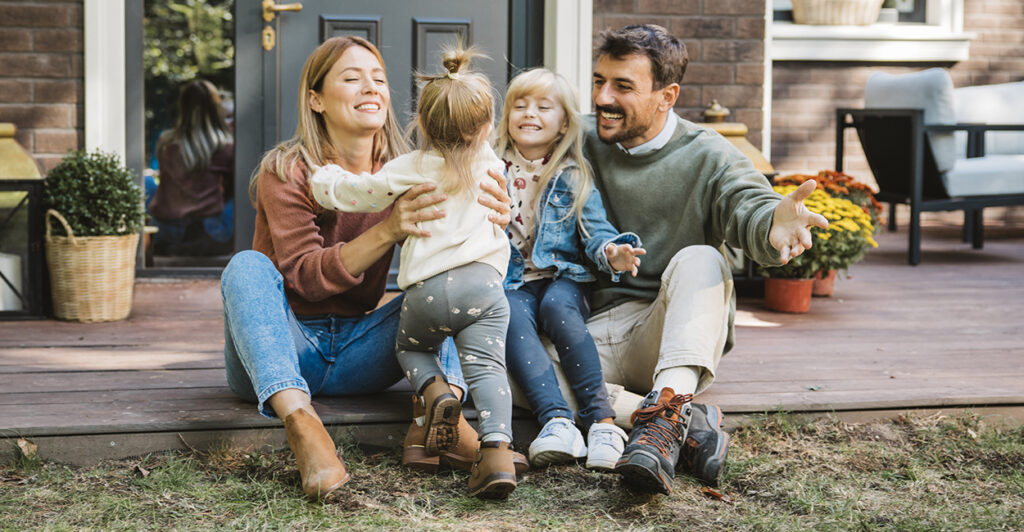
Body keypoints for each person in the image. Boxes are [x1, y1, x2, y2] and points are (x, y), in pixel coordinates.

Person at [219, 36, 517, 500]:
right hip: (284, 346)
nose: (370, 87)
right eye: (352, 78)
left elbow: (485, 234)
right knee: (246, 267)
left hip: (362, 349)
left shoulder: (416, 167)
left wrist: (497, 209)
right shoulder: (288, 171)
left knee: (459, 284)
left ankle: (442, 412)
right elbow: (305, 278)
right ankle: (303, 424)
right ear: (315, 99)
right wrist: (390, 228)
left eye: (378, 78)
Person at [555, 24, 826, 495]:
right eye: (599, 81)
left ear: (667, 95)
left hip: (663, 336)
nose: (602, 97)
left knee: (702, 259)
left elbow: (749, 204)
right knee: (504, 360)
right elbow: (505, 162)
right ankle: (681, 417)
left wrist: (774, 222)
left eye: (623, 86)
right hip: (582, 332)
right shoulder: (573, 138)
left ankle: (660, 428)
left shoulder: (709, 155)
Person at [308, 47, 520, 499]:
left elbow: (356, 194)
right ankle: (497, 453)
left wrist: (323, 178)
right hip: (483, 288)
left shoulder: (409, 169)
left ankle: (434, 391)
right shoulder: (492, 164)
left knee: (413, 350)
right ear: (486, 128)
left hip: (426, 292)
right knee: (487, 369)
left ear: (421, 125)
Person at [493, 68, 645, 471]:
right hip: (511, 281)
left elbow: (596, 232)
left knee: (558, 310)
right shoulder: (489, 169)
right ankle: (557, 422)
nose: (530, 113)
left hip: (563, 277)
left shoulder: (573, 176)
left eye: (544, 107)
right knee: (509, 315)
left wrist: (613, 252)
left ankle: (603, 424)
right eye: (520, 106)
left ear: (563, 126)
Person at [149, 80, 234, 256]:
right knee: (246, 192)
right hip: (206, 231)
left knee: (145, 182)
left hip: (164, 228)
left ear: (182, 107)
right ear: (215, 109)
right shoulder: (226, 147)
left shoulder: (165, 142)